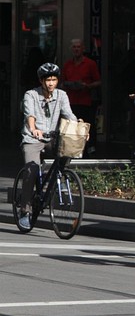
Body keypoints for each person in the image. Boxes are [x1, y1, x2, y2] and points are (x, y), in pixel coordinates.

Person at [18, 63, 78, 229]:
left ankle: (52, 184)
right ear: (41, 81)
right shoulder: (31, 94)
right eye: (48, 80)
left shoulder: (61, 95)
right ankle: (25, 211)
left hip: (52, 137)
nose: (51, 83)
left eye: (54, 79)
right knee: (31, 169)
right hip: (33, 137)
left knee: (67, 153)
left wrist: (78, 124)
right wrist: (33, 129)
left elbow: (69, 114)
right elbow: (29, 115)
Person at [61, 38, 101, 157]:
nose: (76, 49)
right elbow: (62, 82)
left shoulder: (90, 63)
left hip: (86, 101)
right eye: (74, 47)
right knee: (72, 127)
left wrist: (87, 86)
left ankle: (90, 150)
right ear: (71, 49)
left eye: (78, 47)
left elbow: (99, 82)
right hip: (71, 101)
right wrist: (68, 85)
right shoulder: (67, 64)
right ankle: (73, 150)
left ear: (83, 49)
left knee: (87, 127)